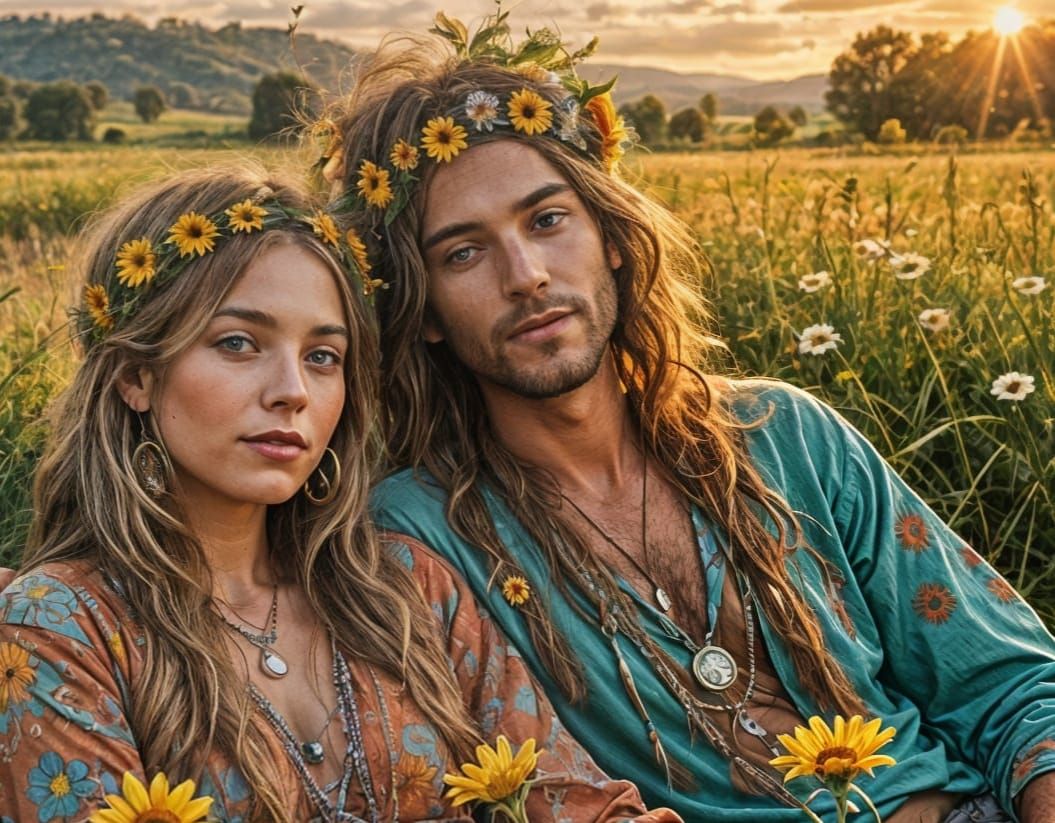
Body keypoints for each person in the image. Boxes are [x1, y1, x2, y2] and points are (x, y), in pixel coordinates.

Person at [323, 13, 1055, 823]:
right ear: (422, 309)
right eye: (462, 252)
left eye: (546, 219)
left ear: (609, 235)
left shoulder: (787, 437)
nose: (525, 275)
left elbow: (1009, 682)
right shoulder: (422, 540)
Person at [0, 163, 681, 823]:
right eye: (239, 342)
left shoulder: (409, 590)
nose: (292, 390)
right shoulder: (61, 627)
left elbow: (570, 798)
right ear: (135, 376)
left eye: (322, 356)